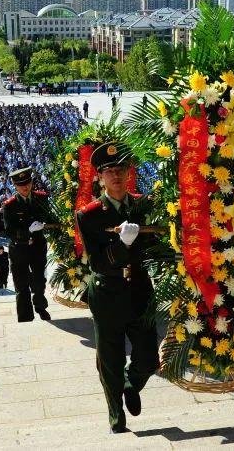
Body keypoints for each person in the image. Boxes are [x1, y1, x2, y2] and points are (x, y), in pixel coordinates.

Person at [76, 141, 159, 433]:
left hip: (138, 289)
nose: (116, 175)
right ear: (99, 177)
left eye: (121, 168)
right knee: (110, 360)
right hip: (108, 292)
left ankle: (131, 383)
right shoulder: (90, 214)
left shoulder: (142, 204)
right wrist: (122, 245)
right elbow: (98, 262)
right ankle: (116, 414)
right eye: (109, 170)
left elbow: (155, 245)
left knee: (149, 358)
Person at [2, 166, 55, 322]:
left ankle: (39, 305)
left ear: (32, 182)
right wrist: (27, 231)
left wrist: (47, 224)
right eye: (20, 184)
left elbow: (50, 217)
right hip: (19, 249)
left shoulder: (41, 198)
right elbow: (8, 231)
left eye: (27, 182)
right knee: (21, 285)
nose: (25, 187)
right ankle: (25, 318)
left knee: (39, 281)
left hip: (38, 246)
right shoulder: (9, 205)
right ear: (14, 185)